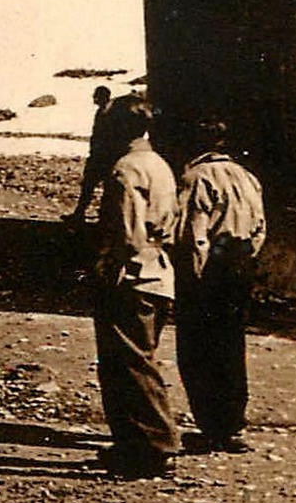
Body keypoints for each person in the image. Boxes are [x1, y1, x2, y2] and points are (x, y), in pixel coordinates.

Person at [89, 95, 181, 479]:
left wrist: (104, 269)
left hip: (132, 275)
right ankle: (133, 445)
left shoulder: (125, 169)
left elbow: (128, 233)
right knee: (138, 359)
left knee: (130, 363)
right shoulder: (159, 165)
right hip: (159, 271)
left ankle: (156, 445)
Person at [174, 120, 267, 454]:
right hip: (239, 265)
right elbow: (260, 229)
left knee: (199, 348)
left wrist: (193, 277)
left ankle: (211, 425)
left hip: (210, 268)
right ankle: (232, 424)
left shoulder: (196, 177)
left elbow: (195, 234)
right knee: (231, 344)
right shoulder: (247, 177)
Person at [66, 85, 118, 223]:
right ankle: (83, 213)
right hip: (99, 155)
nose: (94, 99)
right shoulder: (103, 112)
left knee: (98, 187)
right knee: (91, 186)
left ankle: (98, 215)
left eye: (96, 96)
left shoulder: (110, 113)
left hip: (104, 157)